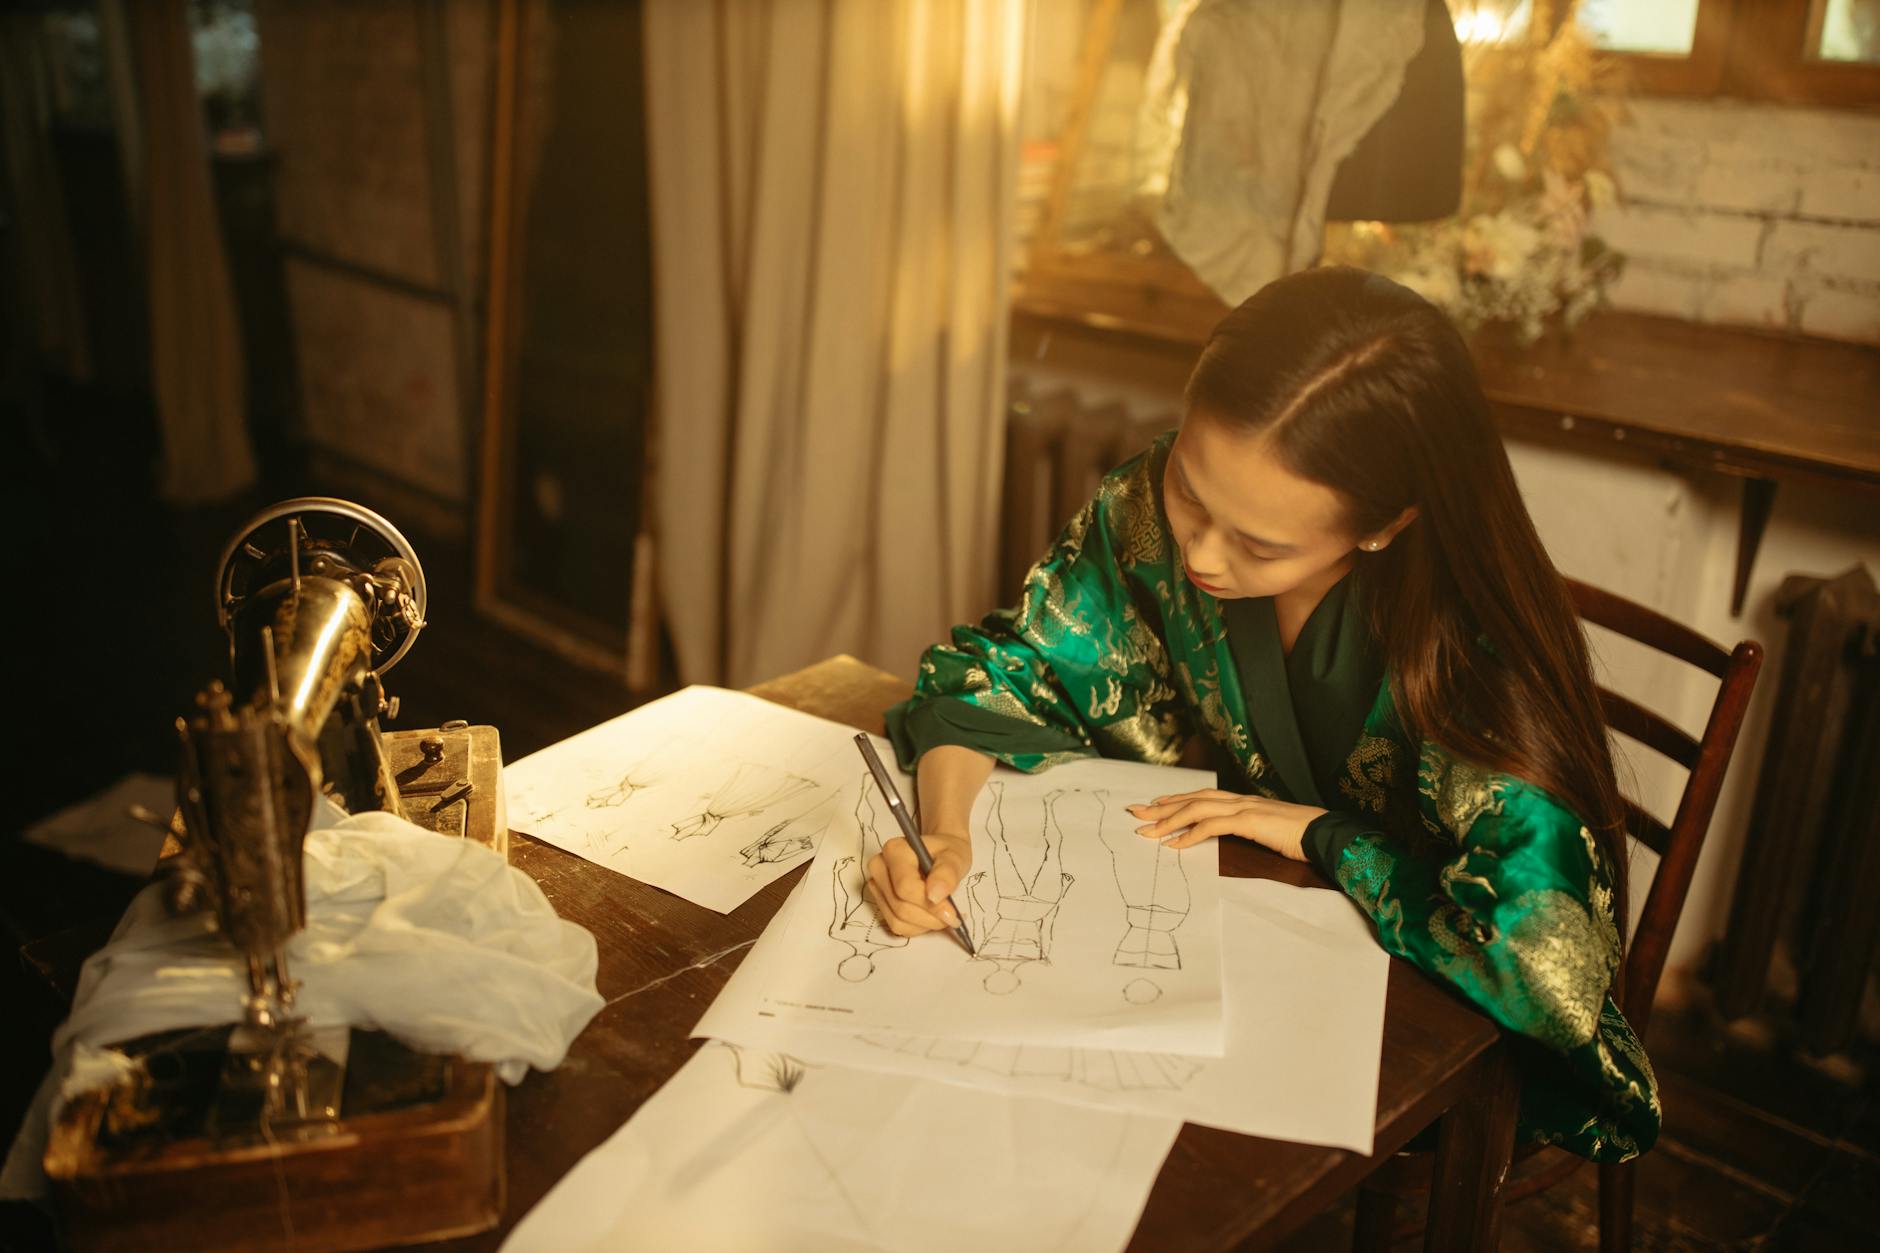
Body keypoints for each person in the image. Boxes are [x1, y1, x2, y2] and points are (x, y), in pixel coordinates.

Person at [868, 266, 1658, 1163]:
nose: (1200, 550)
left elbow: (1536, 959)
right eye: (1193, 492)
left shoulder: (1469, 653)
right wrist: (947, 839)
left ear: (1383, 526)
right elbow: (1001, 674)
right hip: (1246, 954)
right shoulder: (1146, 511)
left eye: (1260, 543)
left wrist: (1323, 834)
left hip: (1417, 1038)